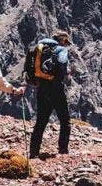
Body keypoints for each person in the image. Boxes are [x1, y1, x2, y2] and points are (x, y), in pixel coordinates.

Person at [27, 30, 72, 159]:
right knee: (65, 120)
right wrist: (66, 72)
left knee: (41, 120)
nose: (66, 44)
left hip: (41, 88)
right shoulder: (60, 50)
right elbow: (62, 66)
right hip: (55, 88)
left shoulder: (38, 49)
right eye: (65, 41)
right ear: (62, 40)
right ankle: (63, 150)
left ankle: (33, 152)